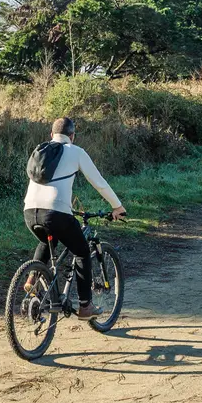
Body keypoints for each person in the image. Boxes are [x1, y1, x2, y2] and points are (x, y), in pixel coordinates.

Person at [23, 117, 127, 319]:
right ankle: (85, 307)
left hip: (29, 211)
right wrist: (117, 206)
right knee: (81, 252)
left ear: (51, 135)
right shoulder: (76, 152)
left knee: (46, 240)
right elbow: (99, 182)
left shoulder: (40, 151)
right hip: (56, 213)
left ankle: (32, 278)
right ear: (72, 136)